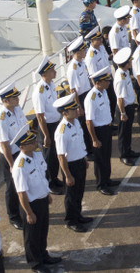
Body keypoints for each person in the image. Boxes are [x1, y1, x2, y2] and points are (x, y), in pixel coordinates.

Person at [10, 126, 62, 272]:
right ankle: (35, 263)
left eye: (34, 140)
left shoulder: (37, 154)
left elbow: (41, 177)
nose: (35, 143)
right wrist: (28, 212)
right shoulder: (19, 167)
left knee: (42, 230)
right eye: (31, 142)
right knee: (32, 236)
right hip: (30, 204)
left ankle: (43, 255)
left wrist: (47, 194)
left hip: (42, 199)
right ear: (22, 147)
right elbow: (21, 193)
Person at [54, 94, 91, 232]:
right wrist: (67, 175)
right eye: (73, 109)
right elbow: (61, 156)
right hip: (71, 166)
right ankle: (71, 220)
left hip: (80, 161)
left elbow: (80, 144)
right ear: (64, 113)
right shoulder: (61, 132)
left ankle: (78, 215)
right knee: (71, 195)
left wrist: (84, 158)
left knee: (79, 192)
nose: (76, 110)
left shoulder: (75, 122)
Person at [0, 83, 26, 230]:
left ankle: (23, 209)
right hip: (10, 155)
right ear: (5, 101)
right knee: (12, 187)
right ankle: (14, 217)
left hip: (22, 151)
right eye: (14, 98)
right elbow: (5, 145)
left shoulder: (17, 109)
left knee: (24, 182)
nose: (17, 99)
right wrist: (11, 164)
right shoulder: (0, 119)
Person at [31, 58, 64, 195]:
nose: (55, 72)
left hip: (55, 123)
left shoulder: (50, 85)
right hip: (47, 127)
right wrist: (45, 135)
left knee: (55, 155)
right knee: (48, 158)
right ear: (44, 74)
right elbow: (40, 116)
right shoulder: (39, 92)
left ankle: (55, 178)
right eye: (52, 70)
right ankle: (49, 183)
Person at [84, 68, 117, 196]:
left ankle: (107, 179)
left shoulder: (103, 92)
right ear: (98, 82)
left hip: (107, 128)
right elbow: (89, 121)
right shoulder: (91, 98)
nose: (108, 83)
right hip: (98, 131)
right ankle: (101, 184)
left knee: (107, 155)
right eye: (106, 81)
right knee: (100, 159)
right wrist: (94, 139)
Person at [113, 47, 140, 165]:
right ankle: (123, 155)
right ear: (125, 64)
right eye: (129, 61)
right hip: (123, 108)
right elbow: (120, 98)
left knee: (128, 131)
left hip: (129, 106)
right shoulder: (120, 78)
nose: (131, 62)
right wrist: (123, 113)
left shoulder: (125, 72)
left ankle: (128, 150)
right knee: (123, 133)